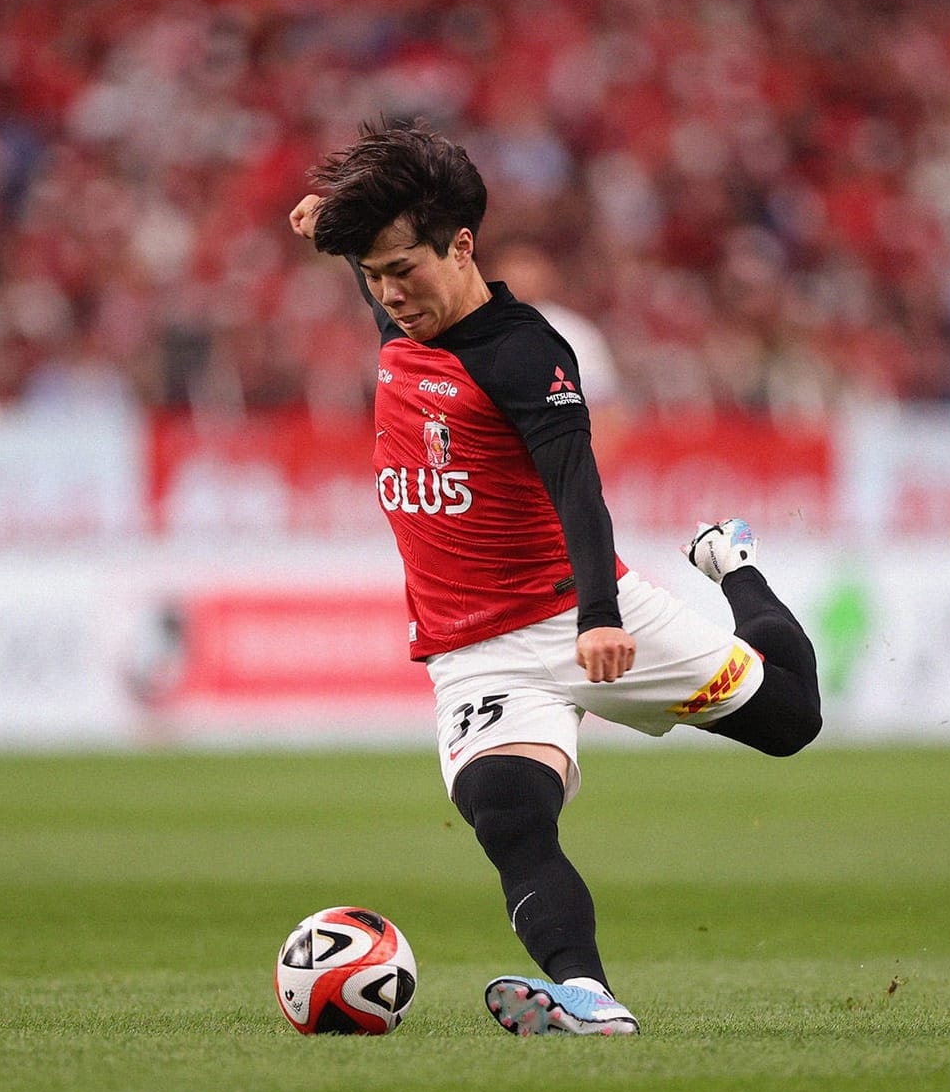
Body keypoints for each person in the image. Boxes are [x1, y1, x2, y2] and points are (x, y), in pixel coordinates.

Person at [289, 122, 822, 1036]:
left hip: (578, 613)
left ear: (462, 247)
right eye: (371, 275)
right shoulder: (402, 309)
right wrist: (336, 229)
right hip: (471, 653)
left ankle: (731, 565)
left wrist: (601, 614)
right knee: (507, 814)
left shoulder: (526, 354)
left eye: (403, 270)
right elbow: (379, 267)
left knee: (792, 721)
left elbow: (579, 489)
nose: (388, 295)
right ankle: (588, 995)